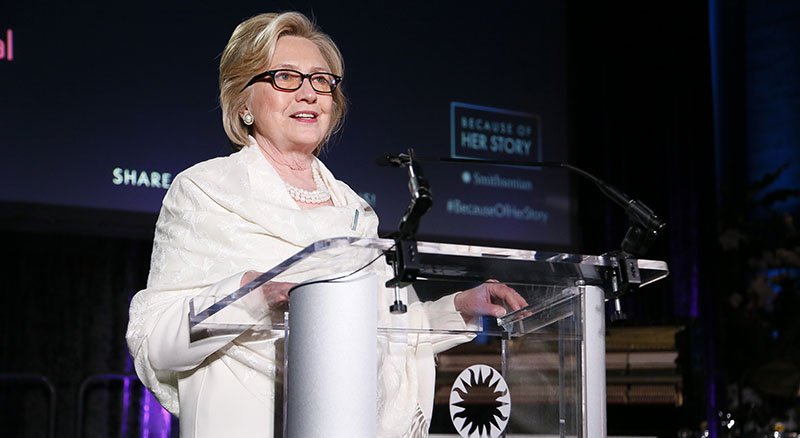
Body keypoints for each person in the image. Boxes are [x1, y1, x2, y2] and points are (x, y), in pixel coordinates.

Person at [126, 11, 527, 438]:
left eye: (321, 80)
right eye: (285, 78)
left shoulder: (354, 209)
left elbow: (387, 334)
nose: (308, 93)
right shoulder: (204, 191)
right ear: (243, 104)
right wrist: (253, 294)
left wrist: (461, 309)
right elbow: (156, 342)